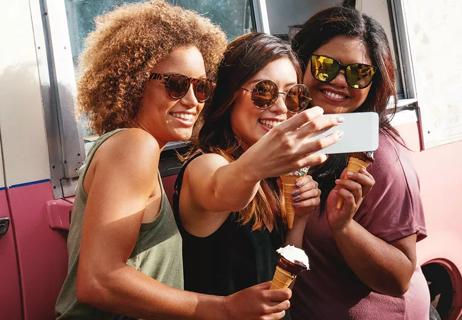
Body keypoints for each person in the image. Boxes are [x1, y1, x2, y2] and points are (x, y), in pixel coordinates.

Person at [55, 2, 295, 319]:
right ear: (134, 81)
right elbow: (99, 281)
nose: (192, 101)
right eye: (176, 85)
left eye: (201, 87)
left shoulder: (133, 147)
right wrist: (225, 308)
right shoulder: (134, 145)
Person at [173, 32, 342, 309]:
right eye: (263, 91)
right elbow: (221, 189)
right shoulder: (206, 164)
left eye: (292, 95)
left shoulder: (274, 176)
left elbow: (281, 283)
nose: (280, 108)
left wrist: (299, 219)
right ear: (229, 95)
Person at [290, 6, 430, 319]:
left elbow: (400, 278)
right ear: (300, 63)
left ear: (374, 83)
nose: (339, 81)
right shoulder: (296, 135)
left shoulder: (381, 157)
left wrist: (345, 226)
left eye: (358, 73)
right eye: (326, 66)